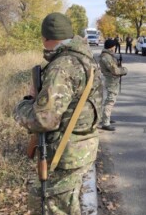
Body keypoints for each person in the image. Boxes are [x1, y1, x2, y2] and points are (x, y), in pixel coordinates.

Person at [13, 12, 102, 214]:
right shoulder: (85, 58)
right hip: (80, 147)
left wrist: (22, 106)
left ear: (45, 38)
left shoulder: (62, 66)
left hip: (65, 153)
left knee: (50, 206)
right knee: (68, 204)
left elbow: (44, 119)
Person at [99, 39, 128, 131]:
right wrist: (124, 70)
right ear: (111, 47)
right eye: (114, 46)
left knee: (109, 100)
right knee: (110, 101)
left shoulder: (108, 56)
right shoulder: (106, 57)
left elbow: (113, 67)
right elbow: (114, 70)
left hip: (112, 80)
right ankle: (105, 123)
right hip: (111, 81)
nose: (115, 48)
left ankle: (105, 118)